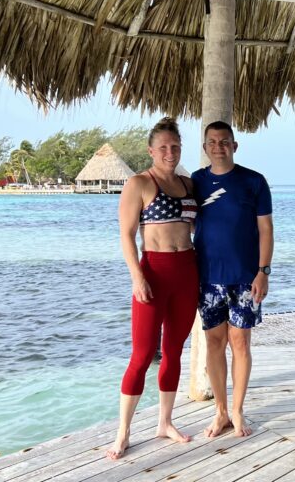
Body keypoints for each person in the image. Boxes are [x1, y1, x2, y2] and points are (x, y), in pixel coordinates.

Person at [107, 117, 199, 460]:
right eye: (163, 147)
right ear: (151, 151)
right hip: (154, 274)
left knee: (174, 351)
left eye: (175, 147)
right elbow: (126, 236)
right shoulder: (139, 183)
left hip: (188, 274)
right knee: (143, 354)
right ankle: (123, 432)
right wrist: (137, 277)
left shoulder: (190, 185)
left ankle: (165, 422)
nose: (170, 152)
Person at [192, 121, 273, 438]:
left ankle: (237, 411)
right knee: (214, 342)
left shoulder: (254, 181)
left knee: (240, 342)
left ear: (234, 146)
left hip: (245, 278)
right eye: (212, 142)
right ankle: (220, 411)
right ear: (205, 148)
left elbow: (266, 230)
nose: (218, 147)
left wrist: (263, 271)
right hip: (208, 277)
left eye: (224, 141)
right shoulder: (195, 182)